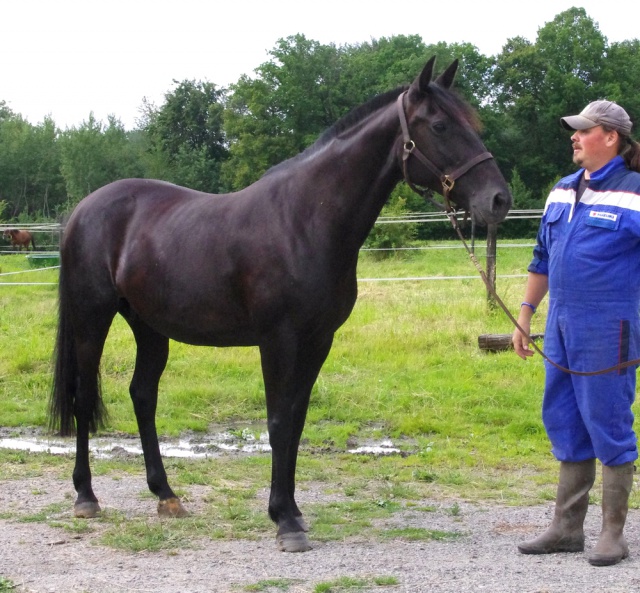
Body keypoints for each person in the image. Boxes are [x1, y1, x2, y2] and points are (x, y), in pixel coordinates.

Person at [512, 100, 640, 567]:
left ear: (610, 137)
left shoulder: (634, 192)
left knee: (607, 422)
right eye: (575, 130)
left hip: (611, 327)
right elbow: (541, 257)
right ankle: (566, 530)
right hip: (560, 324)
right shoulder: (562, 191)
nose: (574, 137)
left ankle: (612, 534)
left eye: (584, 130)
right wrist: (526, 314)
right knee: (565, 420)